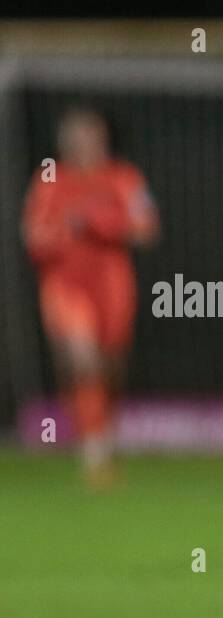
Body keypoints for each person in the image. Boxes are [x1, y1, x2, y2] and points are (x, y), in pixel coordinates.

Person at [22, 107, 159, 487]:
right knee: (84, 362)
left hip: (113, 286)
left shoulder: (124, 177)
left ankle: (103, 433)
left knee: (111, 369)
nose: (81, 143)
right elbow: (33, 236)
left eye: (89, 135)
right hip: (66, 287)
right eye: (74, 136)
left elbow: (146, 227)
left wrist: (103, 224)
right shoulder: (50, 179)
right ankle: (94, 453)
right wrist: (65, 232)